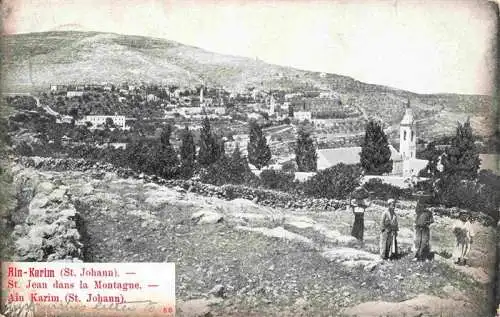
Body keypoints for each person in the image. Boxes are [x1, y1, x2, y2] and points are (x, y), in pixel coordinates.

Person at [413, 195, 434, 261]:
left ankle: (422, 256)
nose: (425, 206)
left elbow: (432, 220)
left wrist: (427, 222)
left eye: (426, 205)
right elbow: (417, 206)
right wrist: (419, 198)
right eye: (423, 205)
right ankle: (417, 255)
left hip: (425, 228)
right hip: (418, 228)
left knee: (424, 242)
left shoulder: (429, 213)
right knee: (418, 241)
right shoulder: (419, 211)